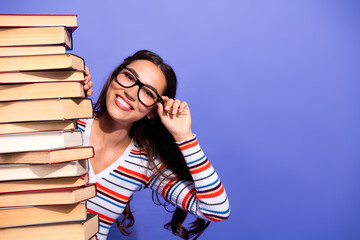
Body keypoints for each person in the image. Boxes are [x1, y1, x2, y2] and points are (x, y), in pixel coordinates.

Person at [80, 50, 230, 240]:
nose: (131, 93)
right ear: (115, 76)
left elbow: (217, 210)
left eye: (148, 93)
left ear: (153, 111)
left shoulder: (145, 164)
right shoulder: (64, 119)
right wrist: (59, 87)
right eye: (128, 77)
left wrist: (184, 136)